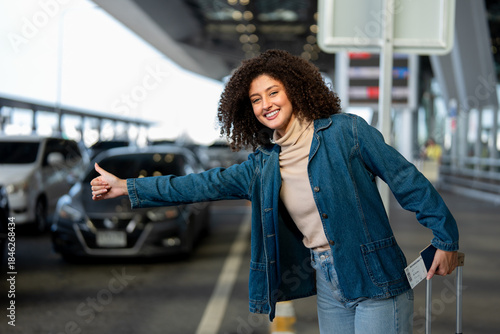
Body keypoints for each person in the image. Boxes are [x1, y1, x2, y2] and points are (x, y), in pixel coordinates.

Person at [90, 49, 459, 334]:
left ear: (294, 90)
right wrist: (126, 186)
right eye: (255, 99)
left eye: (273, 92)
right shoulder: (263, 164)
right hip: (328, 280)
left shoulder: (346, 132)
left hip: (377, 276)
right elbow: (199, 183)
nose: (266, 104)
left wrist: (445, 238)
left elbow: (405, 179)